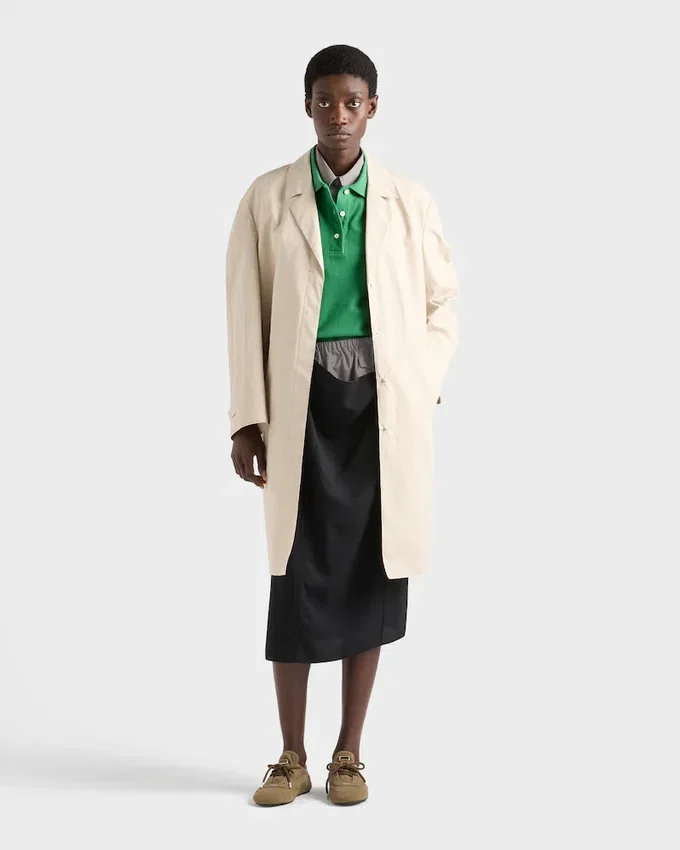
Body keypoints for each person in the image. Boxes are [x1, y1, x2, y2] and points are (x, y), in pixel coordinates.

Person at [225, 44, 460, 806]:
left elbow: (442, 305)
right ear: (307, 106)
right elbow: (244, 313)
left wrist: (417, 384)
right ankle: (290, 756)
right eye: (324, 100)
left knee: (370, 573)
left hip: (380, 411)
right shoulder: (268, 199)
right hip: (302, 406)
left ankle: (349, 754)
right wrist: (247, 419)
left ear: (372, 109)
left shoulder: (409, 202)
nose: (338, 115)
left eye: (351, 101)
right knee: (294, 574)